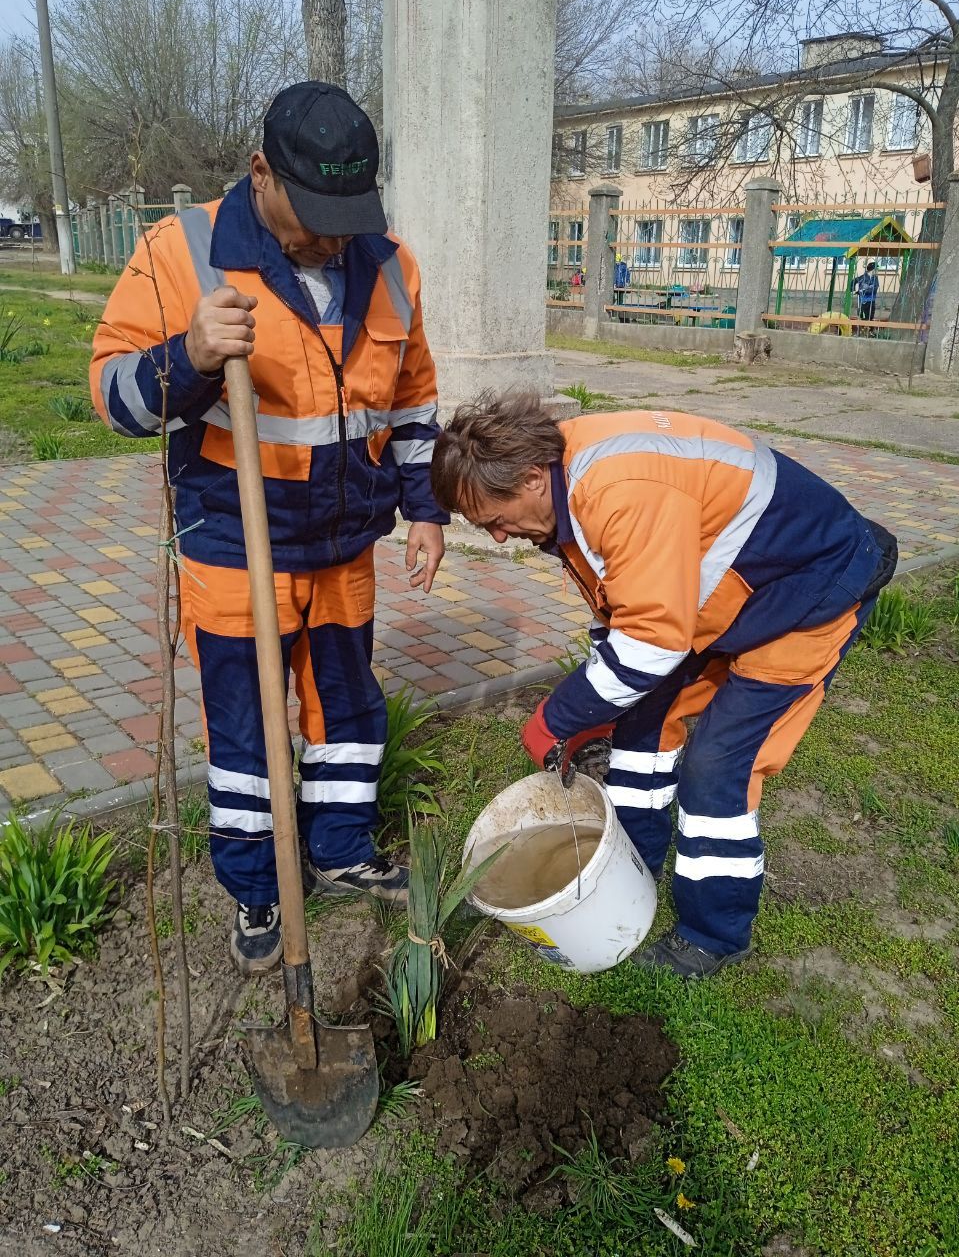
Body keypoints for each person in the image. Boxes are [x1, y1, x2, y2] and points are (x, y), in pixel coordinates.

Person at [91, 82, 448, 975]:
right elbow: (113, 396)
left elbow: (412, 400)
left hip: (344, 539)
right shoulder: (184, 253)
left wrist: (426, 510)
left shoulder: (389, 264)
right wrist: (190, 357)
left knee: (347, 709)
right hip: (233, 542)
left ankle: (338, 848)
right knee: (247, 728)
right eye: (317, 215)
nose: (333, 237)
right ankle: (255, 886)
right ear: (262, 174)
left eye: (348, 214)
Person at [431, 395, 897, 979]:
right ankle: (634, 866)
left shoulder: (616, 490)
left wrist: (560, 715)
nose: (498, 538)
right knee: (638, 733)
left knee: (717, 772)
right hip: (726, 601)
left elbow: (651, 643)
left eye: (494, 520)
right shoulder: (562, 482)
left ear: (529, 478)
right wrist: (601, 706)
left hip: (811, 590)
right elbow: (623, 605)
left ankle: (713, 935)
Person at [854, 260, 879, 327]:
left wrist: (864, 290)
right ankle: (862, 330)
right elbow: (854, 281)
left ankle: (869, 330)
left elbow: (875, 288)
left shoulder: (875, 278)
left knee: (870, 317)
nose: (877, 271)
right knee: (863, 316)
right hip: (863, 301)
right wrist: (853, 290)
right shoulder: (863, 277)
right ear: (872, 270)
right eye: (876, 269)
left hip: (872, 300)